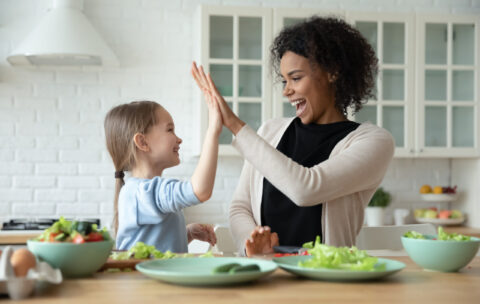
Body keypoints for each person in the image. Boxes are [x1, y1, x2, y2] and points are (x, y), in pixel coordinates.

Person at [191, 16, 394, 257]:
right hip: (265, 275)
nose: (287, 90)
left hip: (329, 281)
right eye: (284, 80)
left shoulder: (373, 141)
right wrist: (253, 245)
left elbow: (306, 188)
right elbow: (240, 207)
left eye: (296, 78)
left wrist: (235, 125)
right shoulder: (270, 132)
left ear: (332, 72)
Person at [104, 96, 221, 252]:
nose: (179, 139)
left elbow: (155, 244)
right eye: (170, 130)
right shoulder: (143, 192)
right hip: (142, 277)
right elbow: (200, 190)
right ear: (143, 142)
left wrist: (187, 233)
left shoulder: (145, 191)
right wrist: (213, 131)